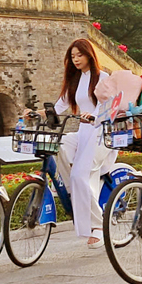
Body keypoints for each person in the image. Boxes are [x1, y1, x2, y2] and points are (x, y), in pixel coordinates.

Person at [39, 39, 116, 249]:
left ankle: (99, 226)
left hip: (100, 133)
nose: (75, 60)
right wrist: (37, 114)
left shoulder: (102, 77)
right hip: (83, 131)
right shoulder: (74, 80)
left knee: (80, 175)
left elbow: (106, 107)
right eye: (72, 57)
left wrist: (94, 115)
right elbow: (59, 106)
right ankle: (71, 187)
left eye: (79, 55)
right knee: (59, 144)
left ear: (89, 54)